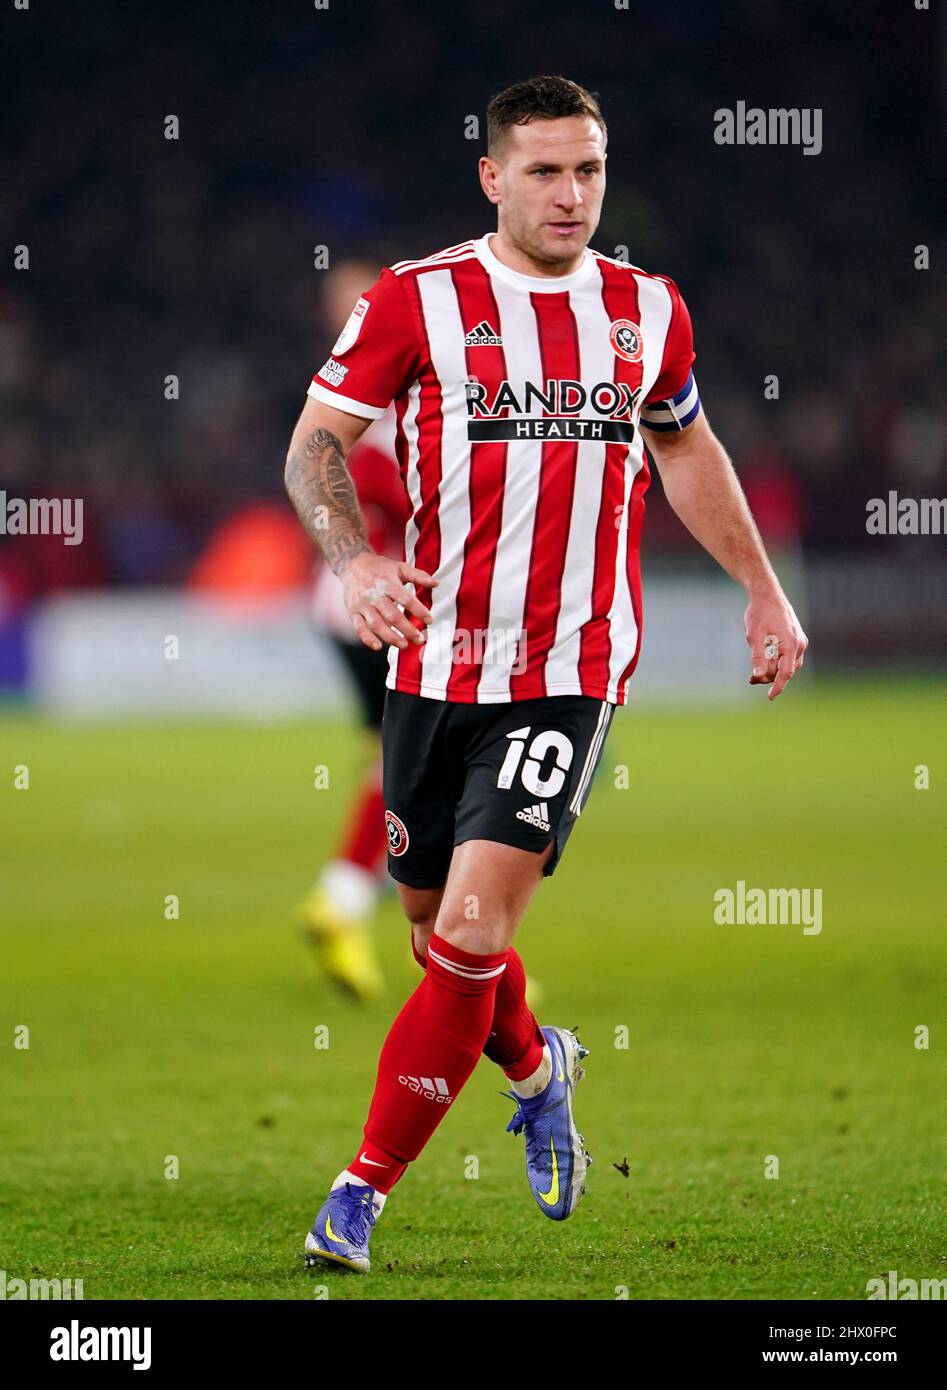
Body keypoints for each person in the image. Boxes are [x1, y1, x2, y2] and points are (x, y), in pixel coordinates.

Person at [284, 74, 807, 1274]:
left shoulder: (645, 310)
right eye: (544, 171)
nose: (570, 195)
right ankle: (536, 1062)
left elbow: (684, 448)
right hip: (433, 663)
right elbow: (315, 445)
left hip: (567, 670)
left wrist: (762, 587)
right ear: (492, 177)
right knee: (430, 940)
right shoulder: (415, 299)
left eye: (588, 171)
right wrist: (356, 562)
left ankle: (358, 1194)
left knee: (467, 934)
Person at [295, 261, 407, 1002]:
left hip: (350, 608)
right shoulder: (388, 407)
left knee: (400, 759)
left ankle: (361, 898)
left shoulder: (362, 395)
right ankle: (344, 901)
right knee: (429, 765)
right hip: (382, 609)